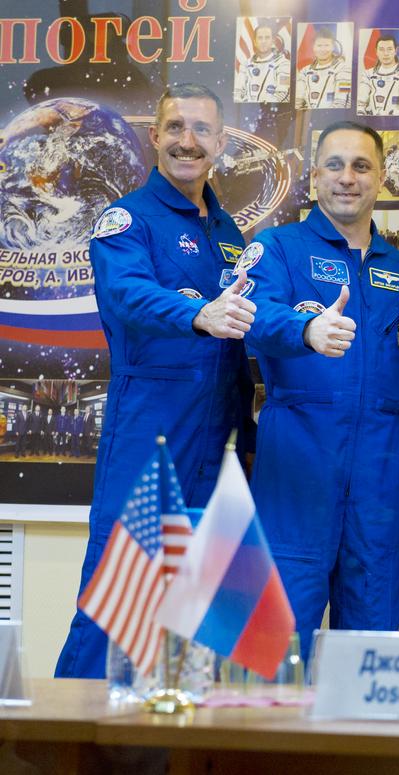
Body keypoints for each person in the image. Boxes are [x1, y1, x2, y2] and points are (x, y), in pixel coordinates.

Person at [56, 83, 257, 678]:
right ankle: (70, 750)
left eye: (200, 129)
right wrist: (197, 313)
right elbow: (125, 294)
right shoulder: (128, 219)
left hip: (219, 438)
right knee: (121, 597)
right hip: (152, 430)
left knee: (203, 606)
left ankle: (175, 746)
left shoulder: (230, 235)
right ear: (155, 137)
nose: (187, 141)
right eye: (175, 128)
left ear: (220, 143)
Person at [243, 121, 399, 658]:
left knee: (369, 648)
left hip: (379, 476)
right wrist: (303, 330)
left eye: (361, 167)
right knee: (276, 650)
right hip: (297, 468)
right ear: (313, 177)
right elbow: (251, 316)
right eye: (334, 165)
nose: (347, 179)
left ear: (381, 179)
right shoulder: (278, 249)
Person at [357, 33, 399, 117]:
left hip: (395, 123)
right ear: (376, 51)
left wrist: (390, 120)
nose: (386, 53)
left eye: (389, 49)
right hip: (372, 123)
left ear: (396, 50)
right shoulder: (368, 74)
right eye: (381, 49)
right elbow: (360, 104)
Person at [296, 27, 351, 110]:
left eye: (327, 45)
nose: (323, 49)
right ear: (313, 47)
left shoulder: (343, 69)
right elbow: (298, 101)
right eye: (319, 45)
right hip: (308, 118)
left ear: (333, 47)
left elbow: (341, 102)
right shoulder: (305, 71)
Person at [234, 23, 290, 104]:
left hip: (273, 111)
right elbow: (238, 92)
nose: (263, 41)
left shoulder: (284, 64)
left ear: (272, 41)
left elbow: (282, 94)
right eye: (260, 38)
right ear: (255, 42)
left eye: (267, 38)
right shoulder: (246, 65)